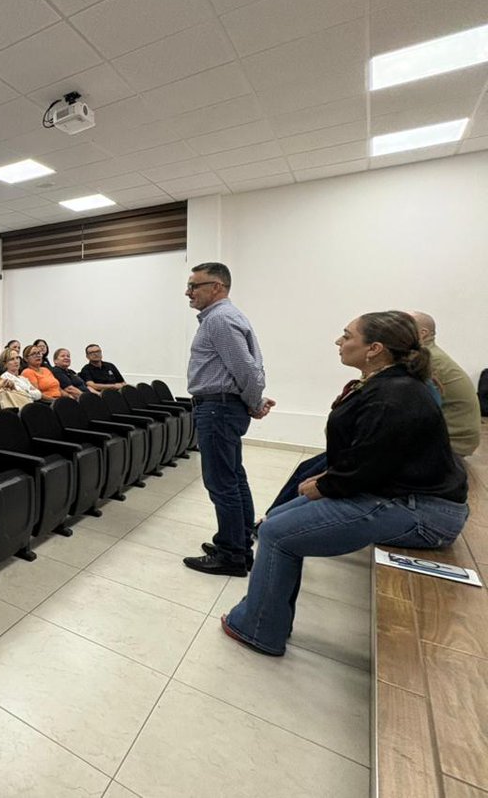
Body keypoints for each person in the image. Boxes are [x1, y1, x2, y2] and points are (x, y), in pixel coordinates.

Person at [222, 312, 468, 657]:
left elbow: (372, 465)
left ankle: (260, 628)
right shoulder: (387, 383)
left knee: (279, 536)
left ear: (374, 349)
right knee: (274, 521)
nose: (339, 341)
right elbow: (370, 453)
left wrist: (326, 486)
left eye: (347, 335)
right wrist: (327, 478)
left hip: (421, 510)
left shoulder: (395, 394)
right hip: (394, 491)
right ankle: (264, 611)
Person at [182, 262, 275, 577]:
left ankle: (232, 555)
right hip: (224, 407)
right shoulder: (229, 316)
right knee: (234, 478)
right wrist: (253, 402)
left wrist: (253, 402)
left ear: (216, 287)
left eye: (194, 285)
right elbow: (251, 367)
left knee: (222, 483)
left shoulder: (220, 319)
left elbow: (247, 369)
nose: (188, 292)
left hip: (217, 409)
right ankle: (235, 541)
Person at [411, 311, 481, 457]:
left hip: (454, 441)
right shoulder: (430, 355)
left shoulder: (427, 360)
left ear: (422, 333)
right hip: (456, 437)